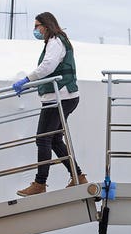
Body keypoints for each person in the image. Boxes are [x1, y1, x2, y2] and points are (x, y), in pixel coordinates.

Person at [12, 12, 88, 196]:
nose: (35, 30)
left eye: (37, 26)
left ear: (46, 25)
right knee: (53, 139)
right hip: (65, 96)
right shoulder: (57, 41)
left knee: (43, 138)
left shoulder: (55, 41)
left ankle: (40, 184)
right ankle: (78, 177)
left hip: (59, 97)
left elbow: (48, 66)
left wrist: (27, 80)